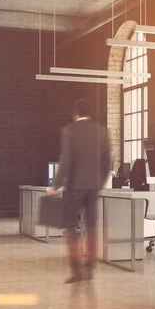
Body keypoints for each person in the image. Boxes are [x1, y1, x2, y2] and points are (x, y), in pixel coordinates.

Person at [48, 99, 111, 284]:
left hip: (74, 186)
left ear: (75, 113)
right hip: (94, 186)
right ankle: (90, 267)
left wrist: (55, 185)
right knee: (91, 226)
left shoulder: (69, 130)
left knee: (70, 227)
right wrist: (100, 182)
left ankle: (76, 270)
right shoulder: (101, 131)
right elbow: (108, 161)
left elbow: (66, 160)